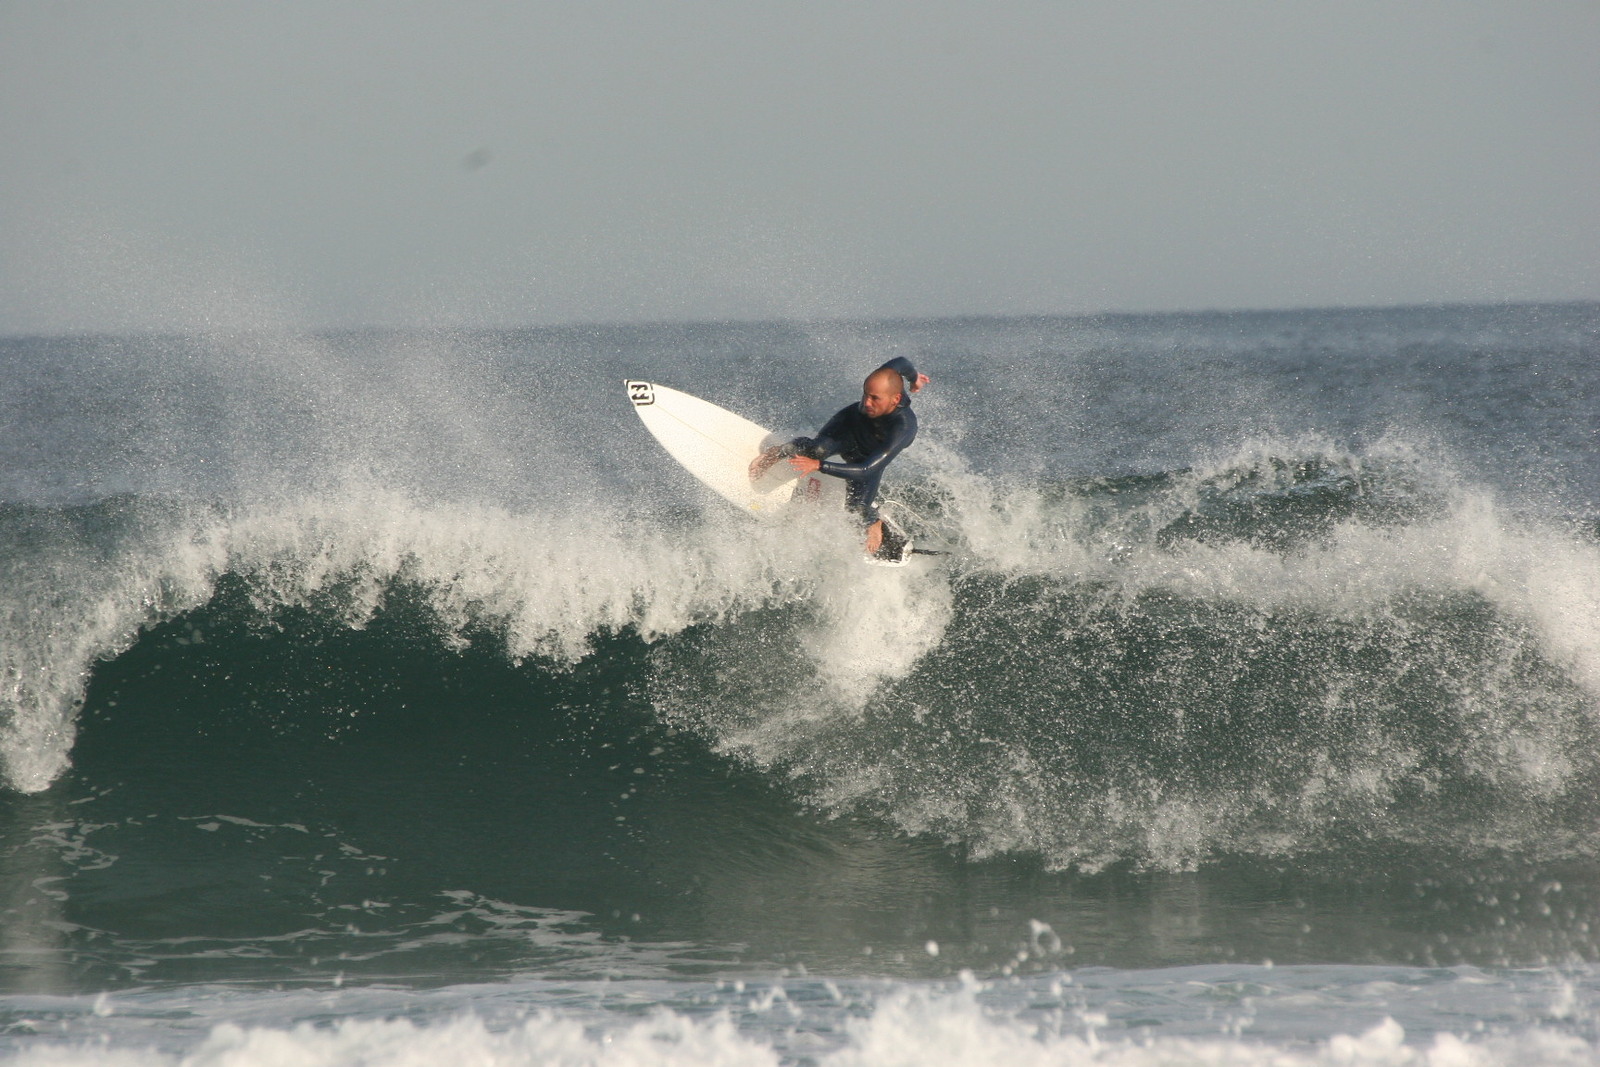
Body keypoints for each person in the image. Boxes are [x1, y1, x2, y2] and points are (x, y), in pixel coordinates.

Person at [748, 357, 930, 558]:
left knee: (857, 510)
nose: (866, 402)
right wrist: (914, 379)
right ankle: (777, 452)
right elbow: (902, 362)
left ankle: (875, 522)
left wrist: (819, 466)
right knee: (815, 449)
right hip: (850, 426)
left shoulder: (904, 428)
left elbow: (866, 470)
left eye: (875, 398)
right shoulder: (885, 377)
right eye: (865, 395)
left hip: (866, 458)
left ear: (895, 399)